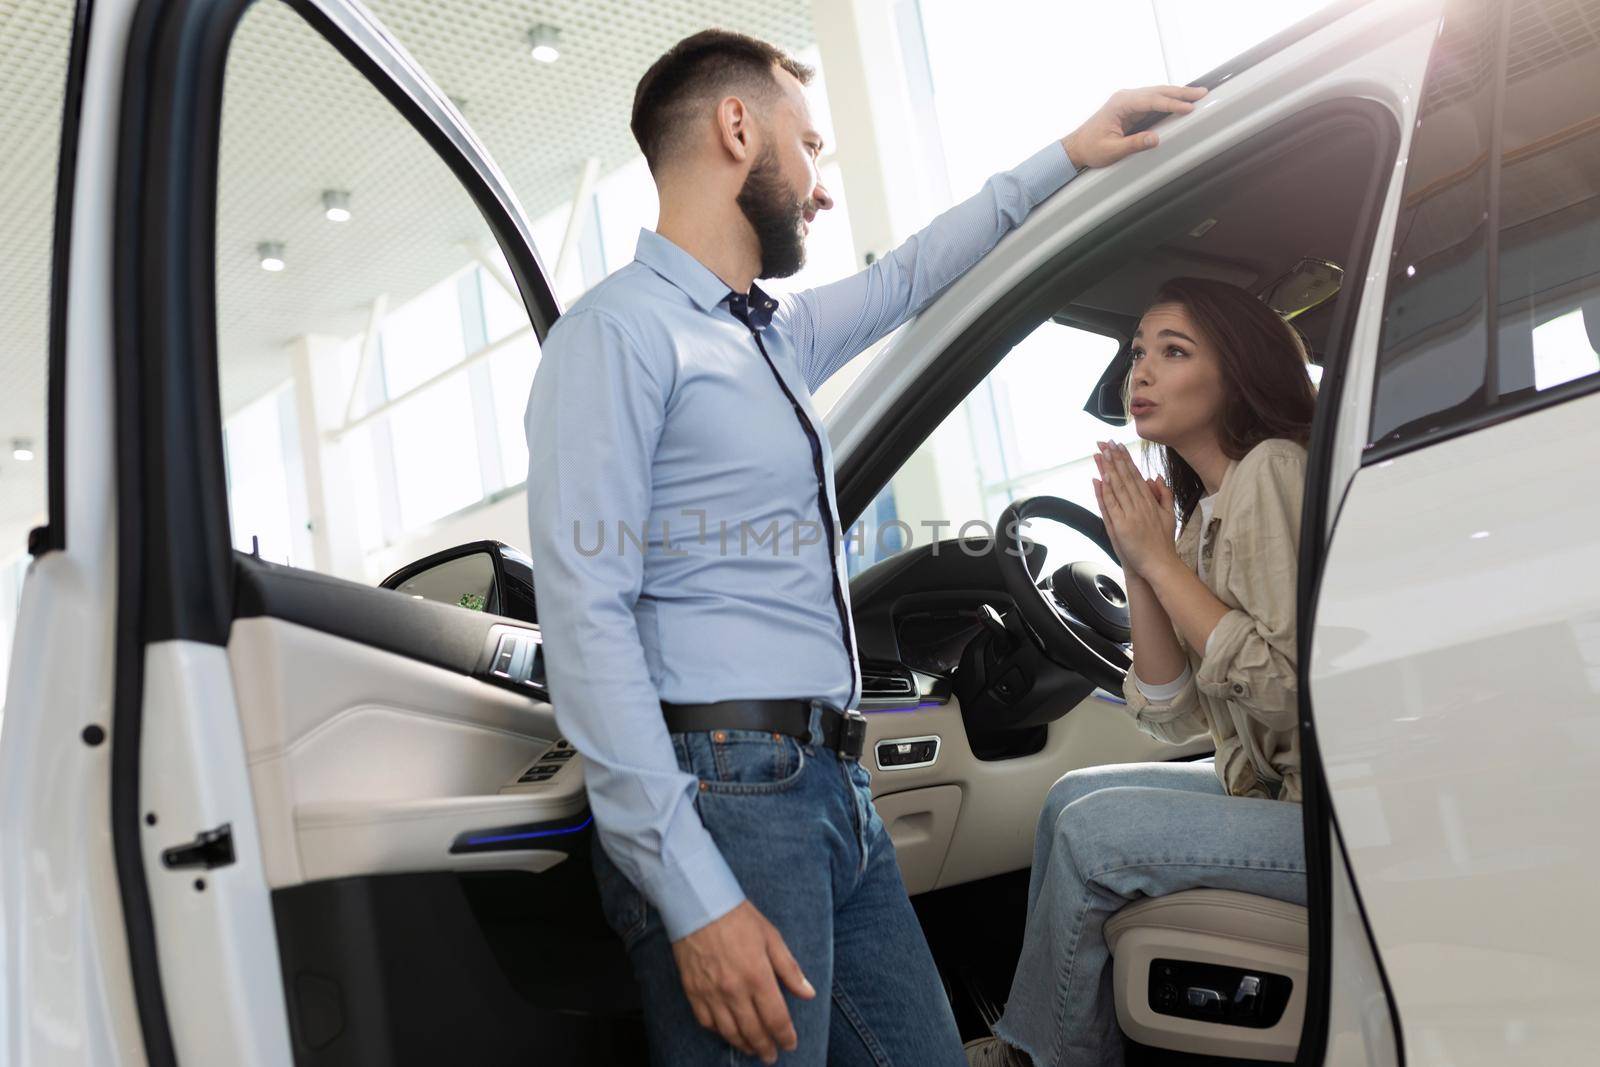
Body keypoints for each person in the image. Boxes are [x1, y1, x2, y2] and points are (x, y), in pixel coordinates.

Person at [524, 26, 1205, 1065]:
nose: (820, 187)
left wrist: (1066, 154)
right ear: (737, 128)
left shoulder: (771, 335)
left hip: (831, 788)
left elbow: (916, 273)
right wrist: (691, 892)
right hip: (725, 801)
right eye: (810, 146)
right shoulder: (616, 337)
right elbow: (584, 620)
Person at [965, 277, 1318, 1067]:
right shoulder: (1202, 519)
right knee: (1070, 797)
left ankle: (1036, 1058)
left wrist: (1162, 561)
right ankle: (1041, 1040)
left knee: (1096, 834)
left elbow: (1290, 688)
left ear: (1236, 374)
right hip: (1264, 795)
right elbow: (1172, 714)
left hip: (1326, 822)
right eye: (1138, 352)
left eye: (1174, 351)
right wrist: (1141, 563)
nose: (1142, 371)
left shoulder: (1273, 471)